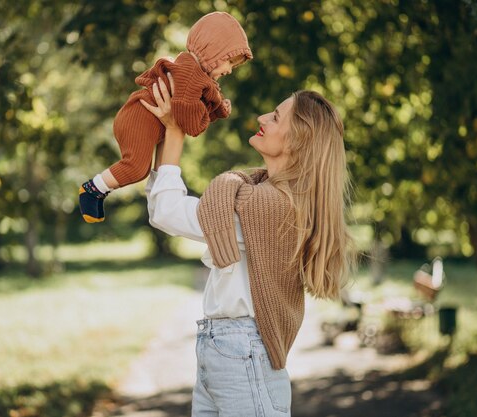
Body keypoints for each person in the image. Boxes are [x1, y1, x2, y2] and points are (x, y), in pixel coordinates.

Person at [141, 74, 355, 416]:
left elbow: (167, 212)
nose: (261, 119)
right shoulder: (263, 198)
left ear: (298, 139)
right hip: (227, 350)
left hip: (242, 353)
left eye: (275, 117)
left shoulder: (268, 207)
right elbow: (163, 209)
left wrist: (175, 133)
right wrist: (164, 136)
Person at [79, 11, 253, 223]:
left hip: (141, 118)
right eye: (229, 62)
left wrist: (216, 109)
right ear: (213, 51)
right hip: (139, 120)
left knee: (140, 170)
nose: (229, 71)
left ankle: (98, 190)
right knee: (136, 168)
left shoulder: (193, 72)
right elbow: (189, 123)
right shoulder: (190, 75)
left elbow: (190, 109)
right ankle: (92, 189)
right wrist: (209, 115)